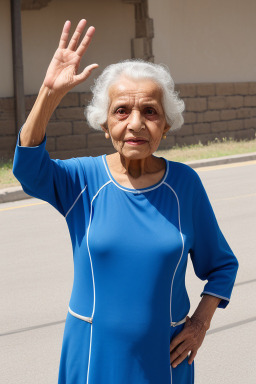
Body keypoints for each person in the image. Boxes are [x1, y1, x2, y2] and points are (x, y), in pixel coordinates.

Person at [13, 19, 238, 384]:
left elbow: (222, 266)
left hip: (165, 359)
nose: (136, 124)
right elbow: (28, 168)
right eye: (121, 111)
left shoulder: (185, 185)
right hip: (91, 354)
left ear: (166, 124)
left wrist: (199, 324)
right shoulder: (81, 180)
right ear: (105, 124)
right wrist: (49, 93)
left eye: (150, 111)